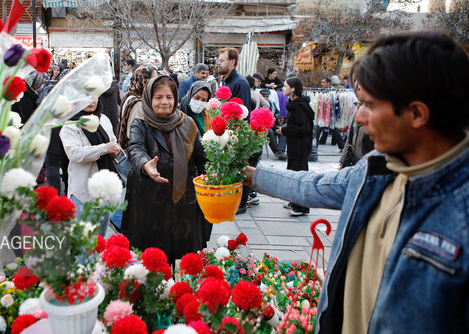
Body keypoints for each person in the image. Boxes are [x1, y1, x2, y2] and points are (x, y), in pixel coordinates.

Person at [245, 32, 469, 333]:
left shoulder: (460, 214)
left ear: (417, 113)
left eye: (370, 105)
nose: (359, 118)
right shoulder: (378, 170)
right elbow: (313, 186)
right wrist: (250, 175)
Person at [122, 75, 208, 264]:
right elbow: (135, 149)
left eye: (169, 97)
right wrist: (145, 165)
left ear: (176, 98)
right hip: (148, 201)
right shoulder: (141, 123)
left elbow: (202, 156)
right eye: (158, 97)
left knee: (182, 257)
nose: (164, 102)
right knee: (150, 259)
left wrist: (214, 167)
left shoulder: (188, 123)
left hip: (183, 202)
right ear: (149, 99)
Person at [60, 98, 122, 236]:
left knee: (98, 241)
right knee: (84, 245)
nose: (91, 100)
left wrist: (115, 149)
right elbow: (75, 154)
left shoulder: (103, 119)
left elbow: (112, 141)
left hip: (104, 192)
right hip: (82, 194)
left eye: (95, 95)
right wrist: (104, 148)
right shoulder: (71, 125)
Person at [216, 47, 252, 214]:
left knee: (239, 168)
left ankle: (241, 204)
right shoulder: (226, 81)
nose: (219, 63)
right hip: (226, 131)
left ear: (232, 62)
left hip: (236, 132)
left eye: (222, 60)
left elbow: (242, 113)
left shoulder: (240, 83)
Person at [275, 77, 314, 216]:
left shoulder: (300, 106)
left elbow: (303, 128)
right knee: (293, 173)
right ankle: (294, 201)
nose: (283, 89)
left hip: (300, 146)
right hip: (294, 145)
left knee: (299, 175)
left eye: (285, 86)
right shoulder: (294, 104)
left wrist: (285, 130)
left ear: (293, 89)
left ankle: (302, 206)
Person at [118, 65, 157, 150]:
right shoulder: (138, 103)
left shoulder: (131, 96)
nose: (156, 83)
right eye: (153, 79)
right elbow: (133, 134)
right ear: (143, 81)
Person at [339, 81, 374, 169]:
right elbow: (349, 140)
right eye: (357, 89)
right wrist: (343, 161)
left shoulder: (374, 111)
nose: (359, 92)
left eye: (360, 89)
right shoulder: (356, 109)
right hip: (354, 160)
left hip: (367, 162)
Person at [261, 88, 287, 160]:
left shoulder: (271, 103)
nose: (265, 98)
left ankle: (280, 150)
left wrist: (275, 117)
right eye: (264, 96)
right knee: (269, 132)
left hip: (273, 124)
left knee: (283, 130)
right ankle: (277, 151)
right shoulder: (258, 104)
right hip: (264, 126)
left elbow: (278, 113)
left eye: (267, 96)